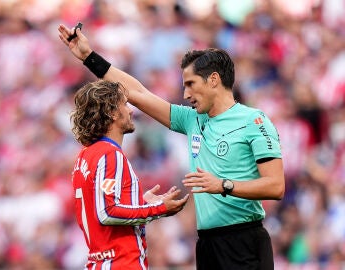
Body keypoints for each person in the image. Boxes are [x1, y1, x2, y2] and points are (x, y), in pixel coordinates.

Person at [59, 24, 285, 270]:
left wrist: (223, 185)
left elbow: (276, 186)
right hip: (207, 243)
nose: (185, 93)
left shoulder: (254, 121)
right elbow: (136, 92)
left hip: (244, 238)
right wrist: (89, 57)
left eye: (190, 84)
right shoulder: (191, 119)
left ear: (213, 80)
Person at [70, 80, 189, 270]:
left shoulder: (85, 156)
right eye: (124, 104)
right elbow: (107, 212)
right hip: (121, 263)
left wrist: (141, 203)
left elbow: (102, 206)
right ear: (112, 112)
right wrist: (158, 209)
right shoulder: (110, 154)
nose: (131, 111)